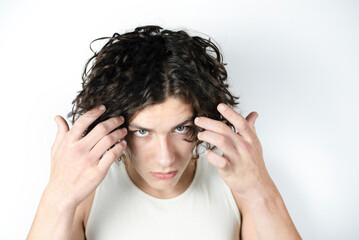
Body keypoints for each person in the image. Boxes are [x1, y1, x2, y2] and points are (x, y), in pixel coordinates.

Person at [27, 25, 301, 240]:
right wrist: (58, 195)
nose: (165, 158)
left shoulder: (235, 182)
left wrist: (262, 189)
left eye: (181, 128)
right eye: (143, 132)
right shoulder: (87, 190)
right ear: (115, 127)